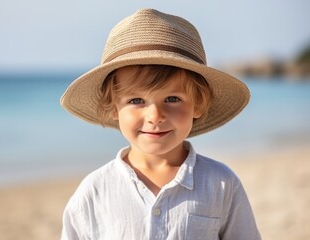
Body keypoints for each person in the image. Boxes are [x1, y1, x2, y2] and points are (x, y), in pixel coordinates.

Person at [60, 8, 261, 240]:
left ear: (198, 104)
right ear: (114, 108)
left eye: (172, 99)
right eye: (136, 100)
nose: (155, 115)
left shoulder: (222, 184)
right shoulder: (94, 191)